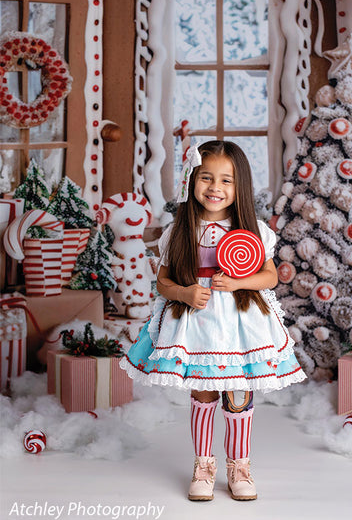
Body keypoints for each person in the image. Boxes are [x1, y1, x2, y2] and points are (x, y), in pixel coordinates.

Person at [120, 141, 306, 502]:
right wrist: (184, 293)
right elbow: (163, 280)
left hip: (241, 324)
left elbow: (270, 277)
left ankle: (239, 465)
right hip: (198, 324)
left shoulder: (252, 231)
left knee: (238, 393)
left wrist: (238, 281)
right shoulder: (180, 230)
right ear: (192, 180)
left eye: (227, 180)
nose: (215, 188)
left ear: (241, 187)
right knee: (204, 391)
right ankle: (203, 466)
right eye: (206, 178)